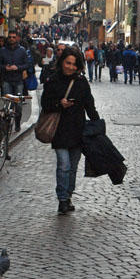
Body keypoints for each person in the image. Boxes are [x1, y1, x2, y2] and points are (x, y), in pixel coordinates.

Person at [40, 46, 100, 215]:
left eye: (74, 64)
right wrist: (60, 104)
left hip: (77, 130)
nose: (70, 67)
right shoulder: (53, 81)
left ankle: (68, 195)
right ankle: (62, 199)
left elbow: (90, 105)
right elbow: (45, 104)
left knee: (72, 167)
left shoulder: (81, 83)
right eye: (68, 63)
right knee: (64, 165)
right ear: (62, 62)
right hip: (59, 130)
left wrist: (97, 124)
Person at [0, 29, 32, 132]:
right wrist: (4, 68)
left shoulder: (22, 50)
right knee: (7, 104)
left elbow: (27, 64)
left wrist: (18, 67)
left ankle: (17, 123)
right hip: (6, 80)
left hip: (18, 80)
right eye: (10, 37)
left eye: (14, 37)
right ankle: (6, 125)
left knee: (18, 105)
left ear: (17, 38)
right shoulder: (2, 51)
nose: (12, 39)